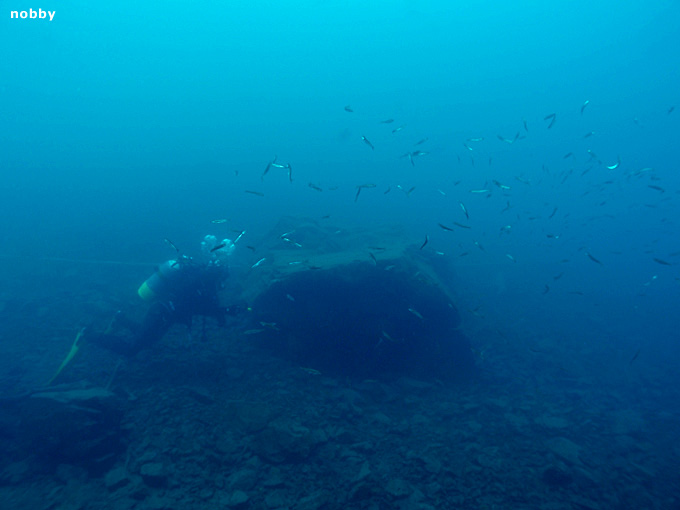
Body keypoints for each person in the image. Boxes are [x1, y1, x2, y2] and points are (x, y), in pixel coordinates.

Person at [91, 235, 243, 357]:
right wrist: (224, 312)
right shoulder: (203, 284)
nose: (223, 283)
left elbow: (202, 306)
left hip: (165, 312)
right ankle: (87, 334)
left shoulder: (202, 281)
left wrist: (223, 312)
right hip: (162, 312)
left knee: (149, 338)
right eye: (223, 278)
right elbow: (199, 307)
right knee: (132, 349)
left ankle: (120, 319)